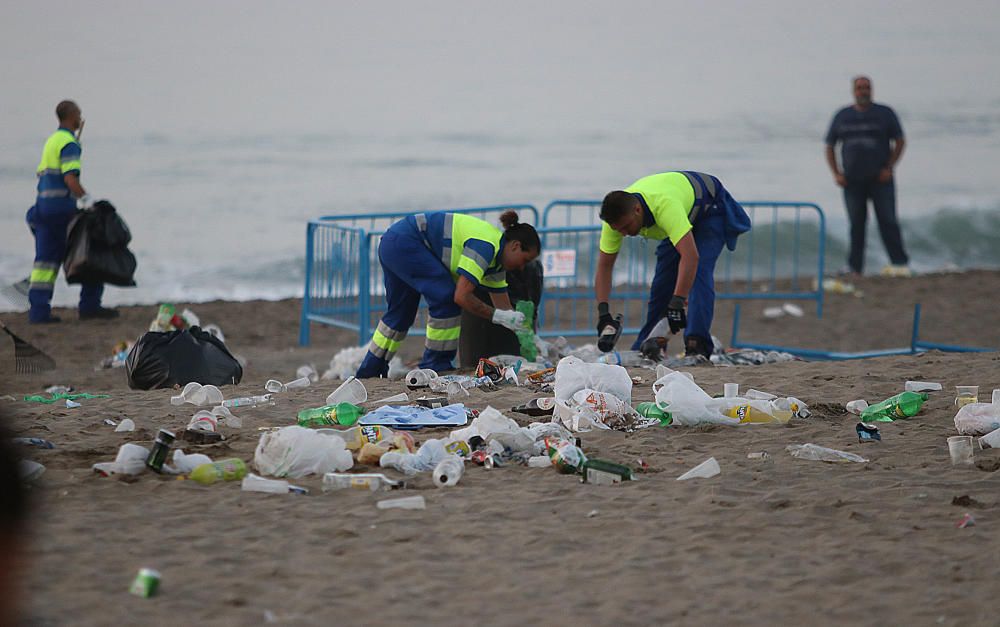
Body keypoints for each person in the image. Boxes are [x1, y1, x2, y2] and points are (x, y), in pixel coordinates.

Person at [356, 210, 540, 378]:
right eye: (525, 260)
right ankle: (436, 364)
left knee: (400, 315)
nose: (522, 267)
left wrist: (531, 338)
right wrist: (497, 316)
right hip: (406, 242)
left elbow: (506, 309)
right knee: (446, 300)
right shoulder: (485, 246)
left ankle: (370, 370)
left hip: (394, 242)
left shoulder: (497, 264)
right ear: (515, 246)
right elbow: (461, 296)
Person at [595, 171, 751, 359]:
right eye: (618, 230)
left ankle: (697, 344)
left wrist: (678, 301)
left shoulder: (665, 206)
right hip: (682, 213)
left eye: (626, 227)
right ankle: (648, 345)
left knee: (699, 272)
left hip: (709, 208)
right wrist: (603, 313)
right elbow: (604, 267)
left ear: (637, 210)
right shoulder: (615, 222)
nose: (624, 233)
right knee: (662, 283)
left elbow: (691, 257)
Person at [26, 100, 118, 323]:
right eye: (78, 113)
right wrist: (87, 200)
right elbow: (70, 178)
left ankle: (38, 311)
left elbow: (42, 175)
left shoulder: (52, 141)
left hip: (43, 208)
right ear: (71, 116)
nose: (80, 118)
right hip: (62, 211)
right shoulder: (69, 143)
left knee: (44, 264)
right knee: (91, 252)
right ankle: (89, 305)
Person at [825, 76, 910, 277]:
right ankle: (855, 267)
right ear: (853, 91)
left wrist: (889, 167)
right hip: (852, 181)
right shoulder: (842, 116)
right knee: (856, 224)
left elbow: (900, 141)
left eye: (867, 87)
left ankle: (899, 262)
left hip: (880, 179)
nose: (864, 91)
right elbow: (830, 145)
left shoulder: (885, 113)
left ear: (872, 90)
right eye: (860, 88)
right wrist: (836, 173)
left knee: (888, 221)